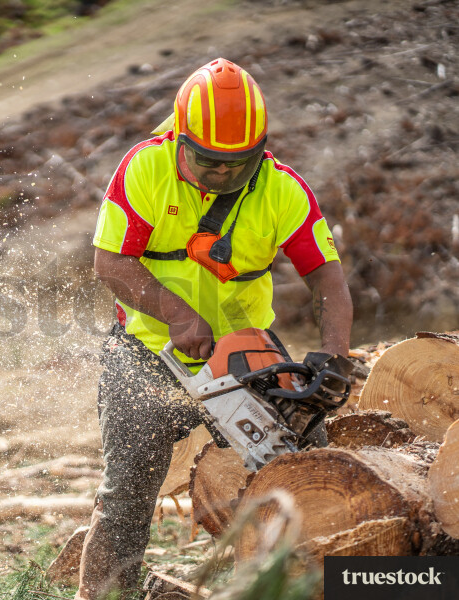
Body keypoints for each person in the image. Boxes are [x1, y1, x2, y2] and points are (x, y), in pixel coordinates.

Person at [78, 58, 353, 599]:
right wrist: (179, 315)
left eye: (238, 163)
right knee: (126, 495)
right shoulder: (143, 170)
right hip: (146, 350)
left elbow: (329, 280)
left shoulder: (283, 190)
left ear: (260, 148)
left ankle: (327, 585)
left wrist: (334, 355)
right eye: (208, 161)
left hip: (247, 354)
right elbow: (110, 262)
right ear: (180, 138)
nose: (224, 174)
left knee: (307, 474)